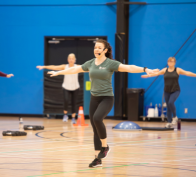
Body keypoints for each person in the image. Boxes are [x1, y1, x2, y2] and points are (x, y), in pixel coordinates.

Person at [47, 39, 158, 168]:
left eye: (99, 48)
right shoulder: (90, 63)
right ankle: (97, 160)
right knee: (95, 129)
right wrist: (58, 72)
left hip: (107, 98)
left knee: (97, 118)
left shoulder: (110, 63)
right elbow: (75, 70)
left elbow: (129, 68)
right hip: (94, 98)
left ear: (105, 50)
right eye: (95, 48)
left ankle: (105, 147)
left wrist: (145, 69)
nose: (97, 50)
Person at [142, 57, 196, 128]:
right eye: (169, 61)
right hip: (167, 91)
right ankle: (169, 122)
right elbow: (157, 73)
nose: (170, 62)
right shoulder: (165, 70)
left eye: (172, 61)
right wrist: (147, 76)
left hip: (175, 90)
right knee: (168, 106)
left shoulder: (177, 70)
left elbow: (187, 73)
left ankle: (175, 117)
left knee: (171, 102)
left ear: (174, 63)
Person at [37, 53, 80, 124]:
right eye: (70, 59)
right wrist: (43, 66)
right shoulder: (65, 66)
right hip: (66, 87)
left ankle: (73, 118)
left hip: (75, 87)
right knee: (66, 100)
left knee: (74, 103)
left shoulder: (77, 67)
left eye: (72, 59)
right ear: (68, 60)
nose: (71, 60)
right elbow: (54, 67)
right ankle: (65, 115)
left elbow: (87, 68)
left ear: (75, 60)